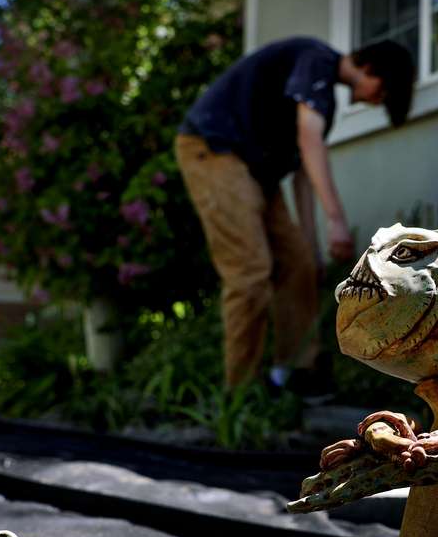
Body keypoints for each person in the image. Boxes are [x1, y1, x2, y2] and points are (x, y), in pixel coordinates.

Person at [175, 36, 414, 392]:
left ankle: (290, 375)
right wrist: (336, 221)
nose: (377, 101)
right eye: (383, 91)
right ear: (371, 68)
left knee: (301, 264)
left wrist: (313, 245)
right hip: (214, 150)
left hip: (256, 170)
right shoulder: (315, 60)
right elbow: (309, 142)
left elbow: (303, 173)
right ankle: (240, 393)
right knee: (250, 271)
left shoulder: (322, 101)